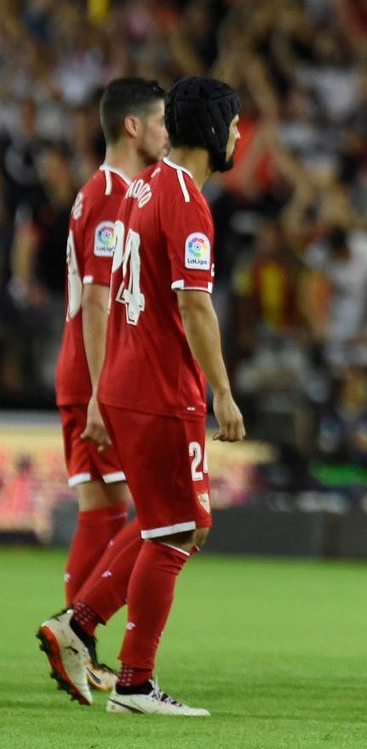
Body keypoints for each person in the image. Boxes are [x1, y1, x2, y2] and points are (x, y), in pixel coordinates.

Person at [37, 76, 246, 716]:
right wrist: (224, 393)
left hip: (128, 381)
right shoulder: (184, 197)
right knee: (179, 528)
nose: (240, 134)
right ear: (213, 130)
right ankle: (133, 681)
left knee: (170, 523)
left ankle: (80, 622)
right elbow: (193, 303)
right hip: (159, 385)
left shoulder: (143, 186)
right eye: (234, 123)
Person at [36, 77, 168, 698]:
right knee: (127, 512)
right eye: (162, 121)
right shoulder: (113, 192)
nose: (169, 133)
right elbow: (95, 297)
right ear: (133, 127)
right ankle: (76, 635)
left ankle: (76, 640)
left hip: (90, 370)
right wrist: (98, 391)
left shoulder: (104, 191)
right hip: (95, 373)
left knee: (109, 507)